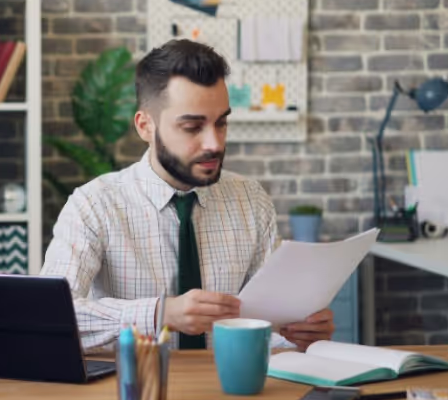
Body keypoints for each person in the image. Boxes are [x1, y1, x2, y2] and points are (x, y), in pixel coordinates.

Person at [40, 39, 334, 352]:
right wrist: (158, 313)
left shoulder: (251, 200)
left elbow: (271, 317)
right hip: (132, 391)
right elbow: (49, 314)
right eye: (193, 127)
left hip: (231, 388)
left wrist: (298, 331)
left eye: (221, 123)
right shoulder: (94, 205)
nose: (215, 143)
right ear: (145, 126)